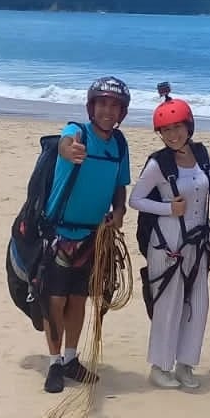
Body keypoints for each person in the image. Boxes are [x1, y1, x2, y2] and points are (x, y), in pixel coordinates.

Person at [129, 87, 210, 389]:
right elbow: (136, 199)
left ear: (189, 126)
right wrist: (168, 208)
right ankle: (160, 367)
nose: (173, 134)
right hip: (167, 243)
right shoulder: (157, 164)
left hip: (199, 243)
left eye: (178, 127)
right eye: (166, 130)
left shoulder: (200, 154)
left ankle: (186, 364)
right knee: (169, 305)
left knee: (198, 305)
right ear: (159, 133)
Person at [41, 76, 131, 394]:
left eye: (114, 105)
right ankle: (53, 363)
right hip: (59, 233)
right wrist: (70, 151)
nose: (108, 110)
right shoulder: (76, 132)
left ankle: (70, 359)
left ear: (122, 111)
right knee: (55, 300)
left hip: (93, 237)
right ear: (91, 106)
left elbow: (120, 185)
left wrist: (118, 211)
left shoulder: (120, 145)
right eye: (102, 103)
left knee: (78, 300)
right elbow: (66, 146)